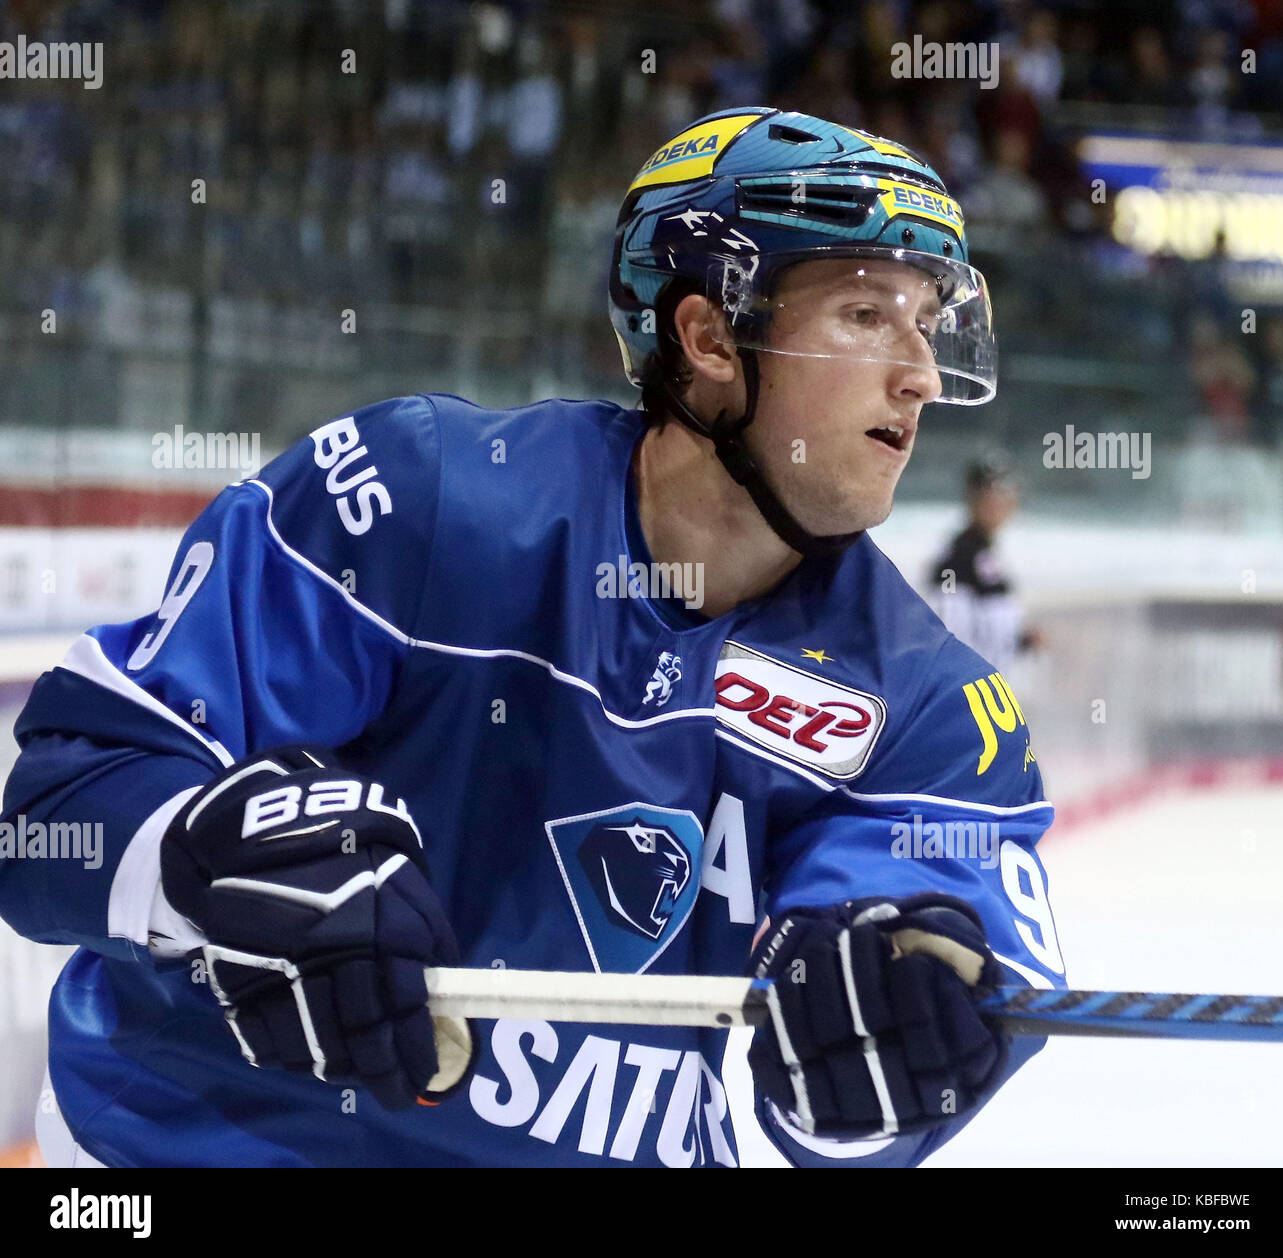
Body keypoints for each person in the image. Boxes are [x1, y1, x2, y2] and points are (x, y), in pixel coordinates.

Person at [0, 107, 1065, 1168]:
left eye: (929, 322)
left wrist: (895, 1025)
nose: (920, 373)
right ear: (705, 337)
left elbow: (870, 1091)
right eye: (868, 314)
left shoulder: (927, 702)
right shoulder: (420, 503)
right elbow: (52, 819)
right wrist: (201, 852)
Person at [929, 456, 1042, 671]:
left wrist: (1021, 638)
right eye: (991, 493)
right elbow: (949, 632)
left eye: (1006, 493)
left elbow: (992, 626)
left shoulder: (986, 554)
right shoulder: (957, 558)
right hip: (970, 689)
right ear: (972, 498)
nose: (1001, 503)